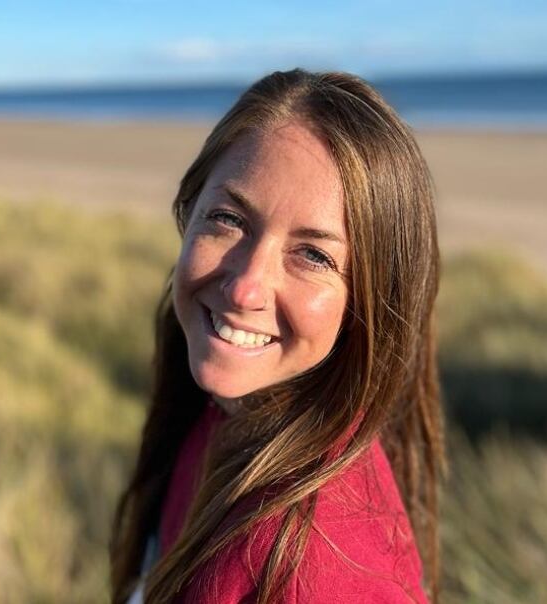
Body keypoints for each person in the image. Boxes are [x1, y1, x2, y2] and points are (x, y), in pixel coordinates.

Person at [111, 68, 446, 603]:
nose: (247, 289)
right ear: (188, 214)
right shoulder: (227, 413)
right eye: (227, 219)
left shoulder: (310, 566)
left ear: (369, 302)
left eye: (313, 255)